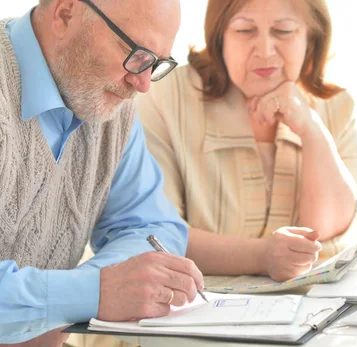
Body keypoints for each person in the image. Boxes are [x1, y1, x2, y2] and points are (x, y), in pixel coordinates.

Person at [0, 0, 205, 345]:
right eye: (135, 51)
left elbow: (153, 226)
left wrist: (82, 297)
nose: (143, 84)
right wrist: (90, 294)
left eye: (155, 63)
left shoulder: (109, 105)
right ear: (65, 14)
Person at [137, 0, 357, 283]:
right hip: (186, 314)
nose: (265, 51)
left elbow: (322, 234)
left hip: (299, 316)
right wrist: (262, 256)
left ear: (311, 38)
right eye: (245, 30)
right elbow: (155, 234)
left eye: (283, 31)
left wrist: (311, 130)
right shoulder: (167, 96)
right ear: (219, 37)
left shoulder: (336, 108)